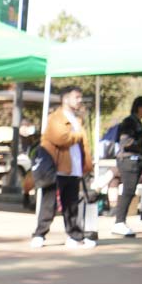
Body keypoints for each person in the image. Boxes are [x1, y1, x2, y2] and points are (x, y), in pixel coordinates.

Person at [31, 85, 94, 249]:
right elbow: (60, 138)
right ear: (65, 99)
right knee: (48, 203)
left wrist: (87, 164)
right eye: (76, 97)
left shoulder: (77, 119)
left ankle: (75, 235)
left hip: (74, 169)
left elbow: (82, 145)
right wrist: (77, 134)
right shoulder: (55, 118)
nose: (79, 100)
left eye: (80, 97)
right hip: (56, 168)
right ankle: (40, 234)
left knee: (72, 204)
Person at [110, 95, 142, 237]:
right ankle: (119, 222)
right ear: (140, 107)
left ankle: (120, 222)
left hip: (136, 161)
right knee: (128, 191)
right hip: (129, 160)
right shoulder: (129, 122)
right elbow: (127, 142)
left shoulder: (136, 122)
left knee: (130, 191)